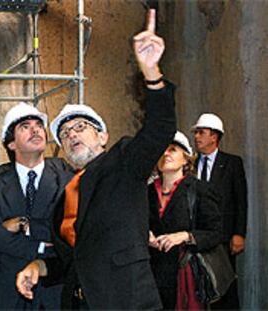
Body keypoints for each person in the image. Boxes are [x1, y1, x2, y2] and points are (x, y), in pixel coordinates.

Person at [16, 9, 176, 309]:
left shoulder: (124, 163)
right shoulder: (67, 193)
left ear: (103, 136)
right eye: (64, 133)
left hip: (126, 302)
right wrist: (37, 267)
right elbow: (73, 259)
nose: (72, 134)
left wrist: (152, 74)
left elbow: (160, 128)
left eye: (81, 127)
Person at [0, 102, 73, 310]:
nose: (35, 129)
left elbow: (66, 231)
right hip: (8, 294)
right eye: (25, 126)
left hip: (54, 292)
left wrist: (25, 224)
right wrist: (42, 244)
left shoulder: (67, 178)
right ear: (11, 144)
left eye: (39, 125)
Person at [148, 131, 221, 310]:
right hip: (150, 276)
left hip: (184, 277)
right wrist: (144, 234)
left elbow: (216, 233)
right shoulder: (146, 192)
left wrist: (185, 236)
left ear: (186, 159)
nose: (165, 154)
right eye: (162, 150)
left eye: (172, 150)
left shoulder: (199, 190)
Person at [191, 113, 248, 310]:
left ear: (214, 137)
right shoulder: (190, 165)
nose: (197, 137)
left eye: (201, 132)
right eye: (196, 133)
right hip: (197, 237)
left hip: (224, 238)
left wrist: (239, 234)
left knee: (225, 285)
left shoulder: (232, 163)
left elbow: (240, 200)